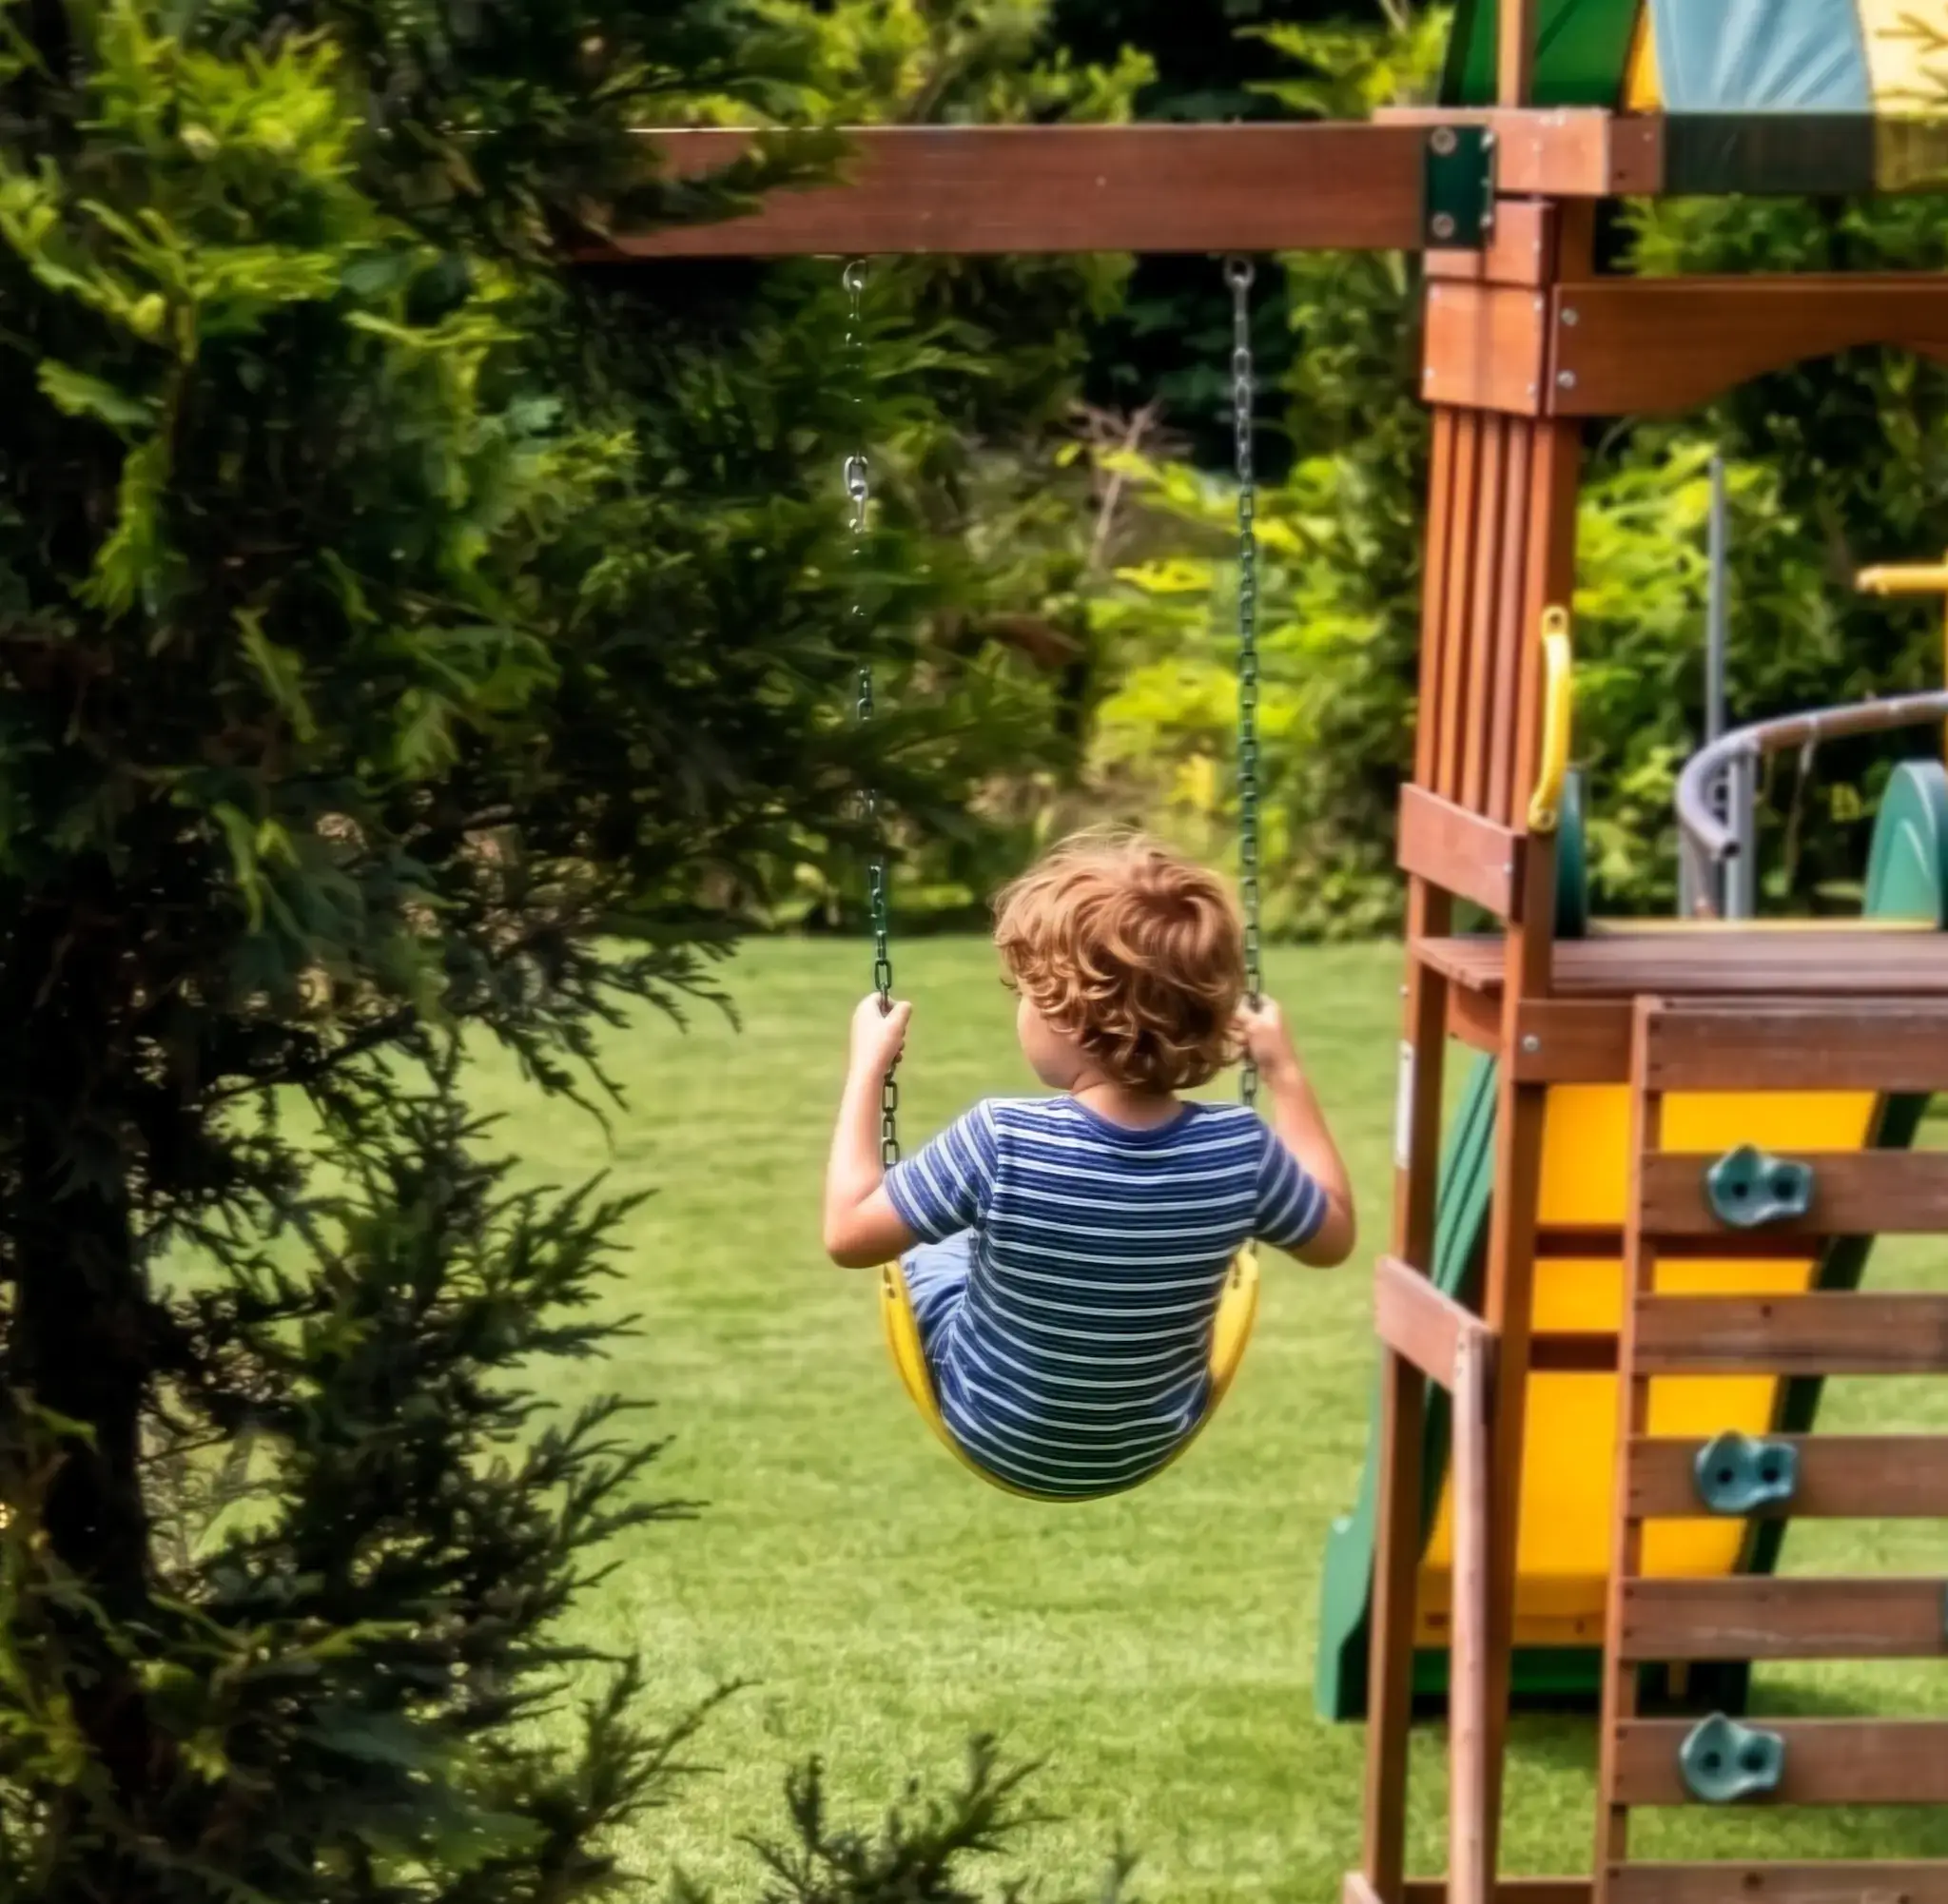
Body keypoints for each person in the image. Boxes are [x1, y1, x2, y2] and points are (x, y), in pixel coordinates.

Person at [822, 831, 1356, 1501]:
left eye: (1025, 991)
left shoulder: (1001, 1138)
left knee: (941, 1240)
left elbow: (847, 1236)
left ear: (1066, 1015)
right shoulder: (1241, 1150)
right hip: (1143, 1439)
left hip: (993, 1425)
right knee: (976, 1224)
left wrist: (866, 1069)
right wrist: (1283, 1069)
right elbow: (1333, 1236)